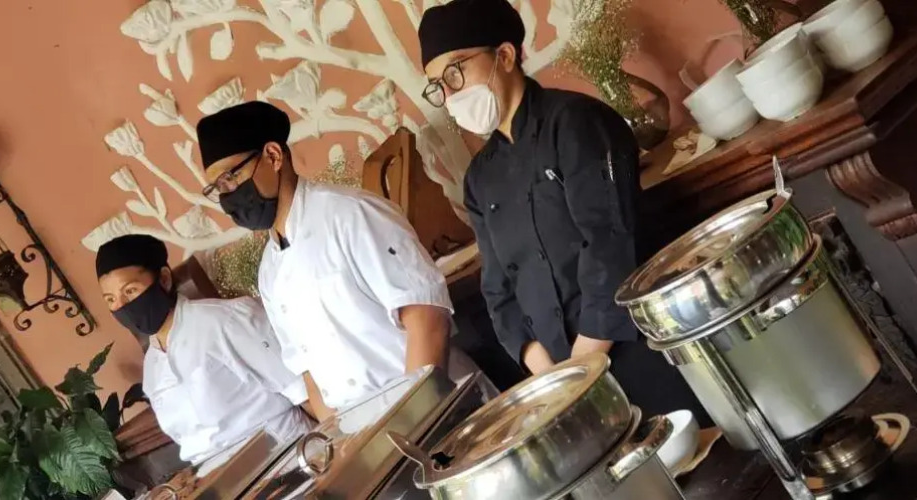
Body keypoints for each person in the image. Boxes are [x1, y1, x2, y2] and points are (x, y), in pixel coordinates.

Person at [418, 0, 709, 422]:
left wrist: (584, 366)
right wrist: (553, 377)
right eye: (437, 85)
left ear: (505, 56)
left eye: (454, 72)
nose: (448, 94)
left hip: (635, 349)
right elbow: (498, 291)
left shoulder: (577, 122)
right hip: (564, 378)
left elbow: (609, 244)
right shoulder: (480, 178)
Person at [195, 101, 476, 422]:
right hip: (365, 431)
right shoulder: (269, 272)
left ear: (273, 156)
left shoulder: (350, 214)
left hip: (434, 407)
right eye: (217, 188)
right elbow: (310, 374)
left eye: (230, 177)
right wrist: (340, 439)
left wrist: (419, 420)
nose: (227, 196)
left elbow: (427, 319)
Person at [95, 234, 312, 465]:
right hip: (221, 476)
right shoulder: (152, 367)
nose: (122, 306)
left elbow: (303, 390)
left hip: (286, 457)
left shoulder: (226, 321)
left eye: (130, 291)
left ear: (164, 279)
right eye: (111, 299)